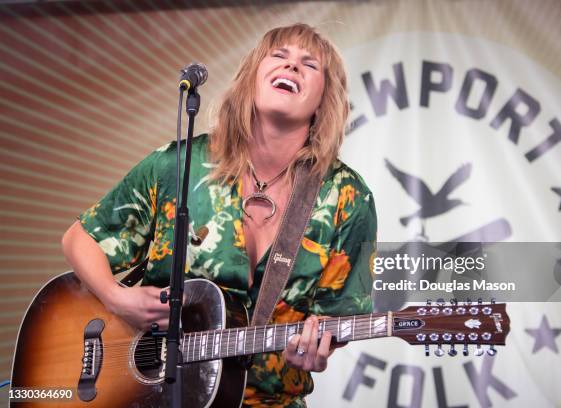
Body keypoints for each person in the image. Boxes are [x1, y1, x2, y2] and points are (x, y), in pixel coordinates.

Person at [62, 23, 377, 407]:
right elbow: (79, 239)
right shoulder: (179, 165)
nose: (291, 67)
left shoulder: (347, 198)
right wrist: (116, 299)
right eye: (279, 56)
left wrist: (316, 347)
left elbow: (336, 318)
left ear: (325, 98)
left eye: (309, 65)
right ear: (251, 78)